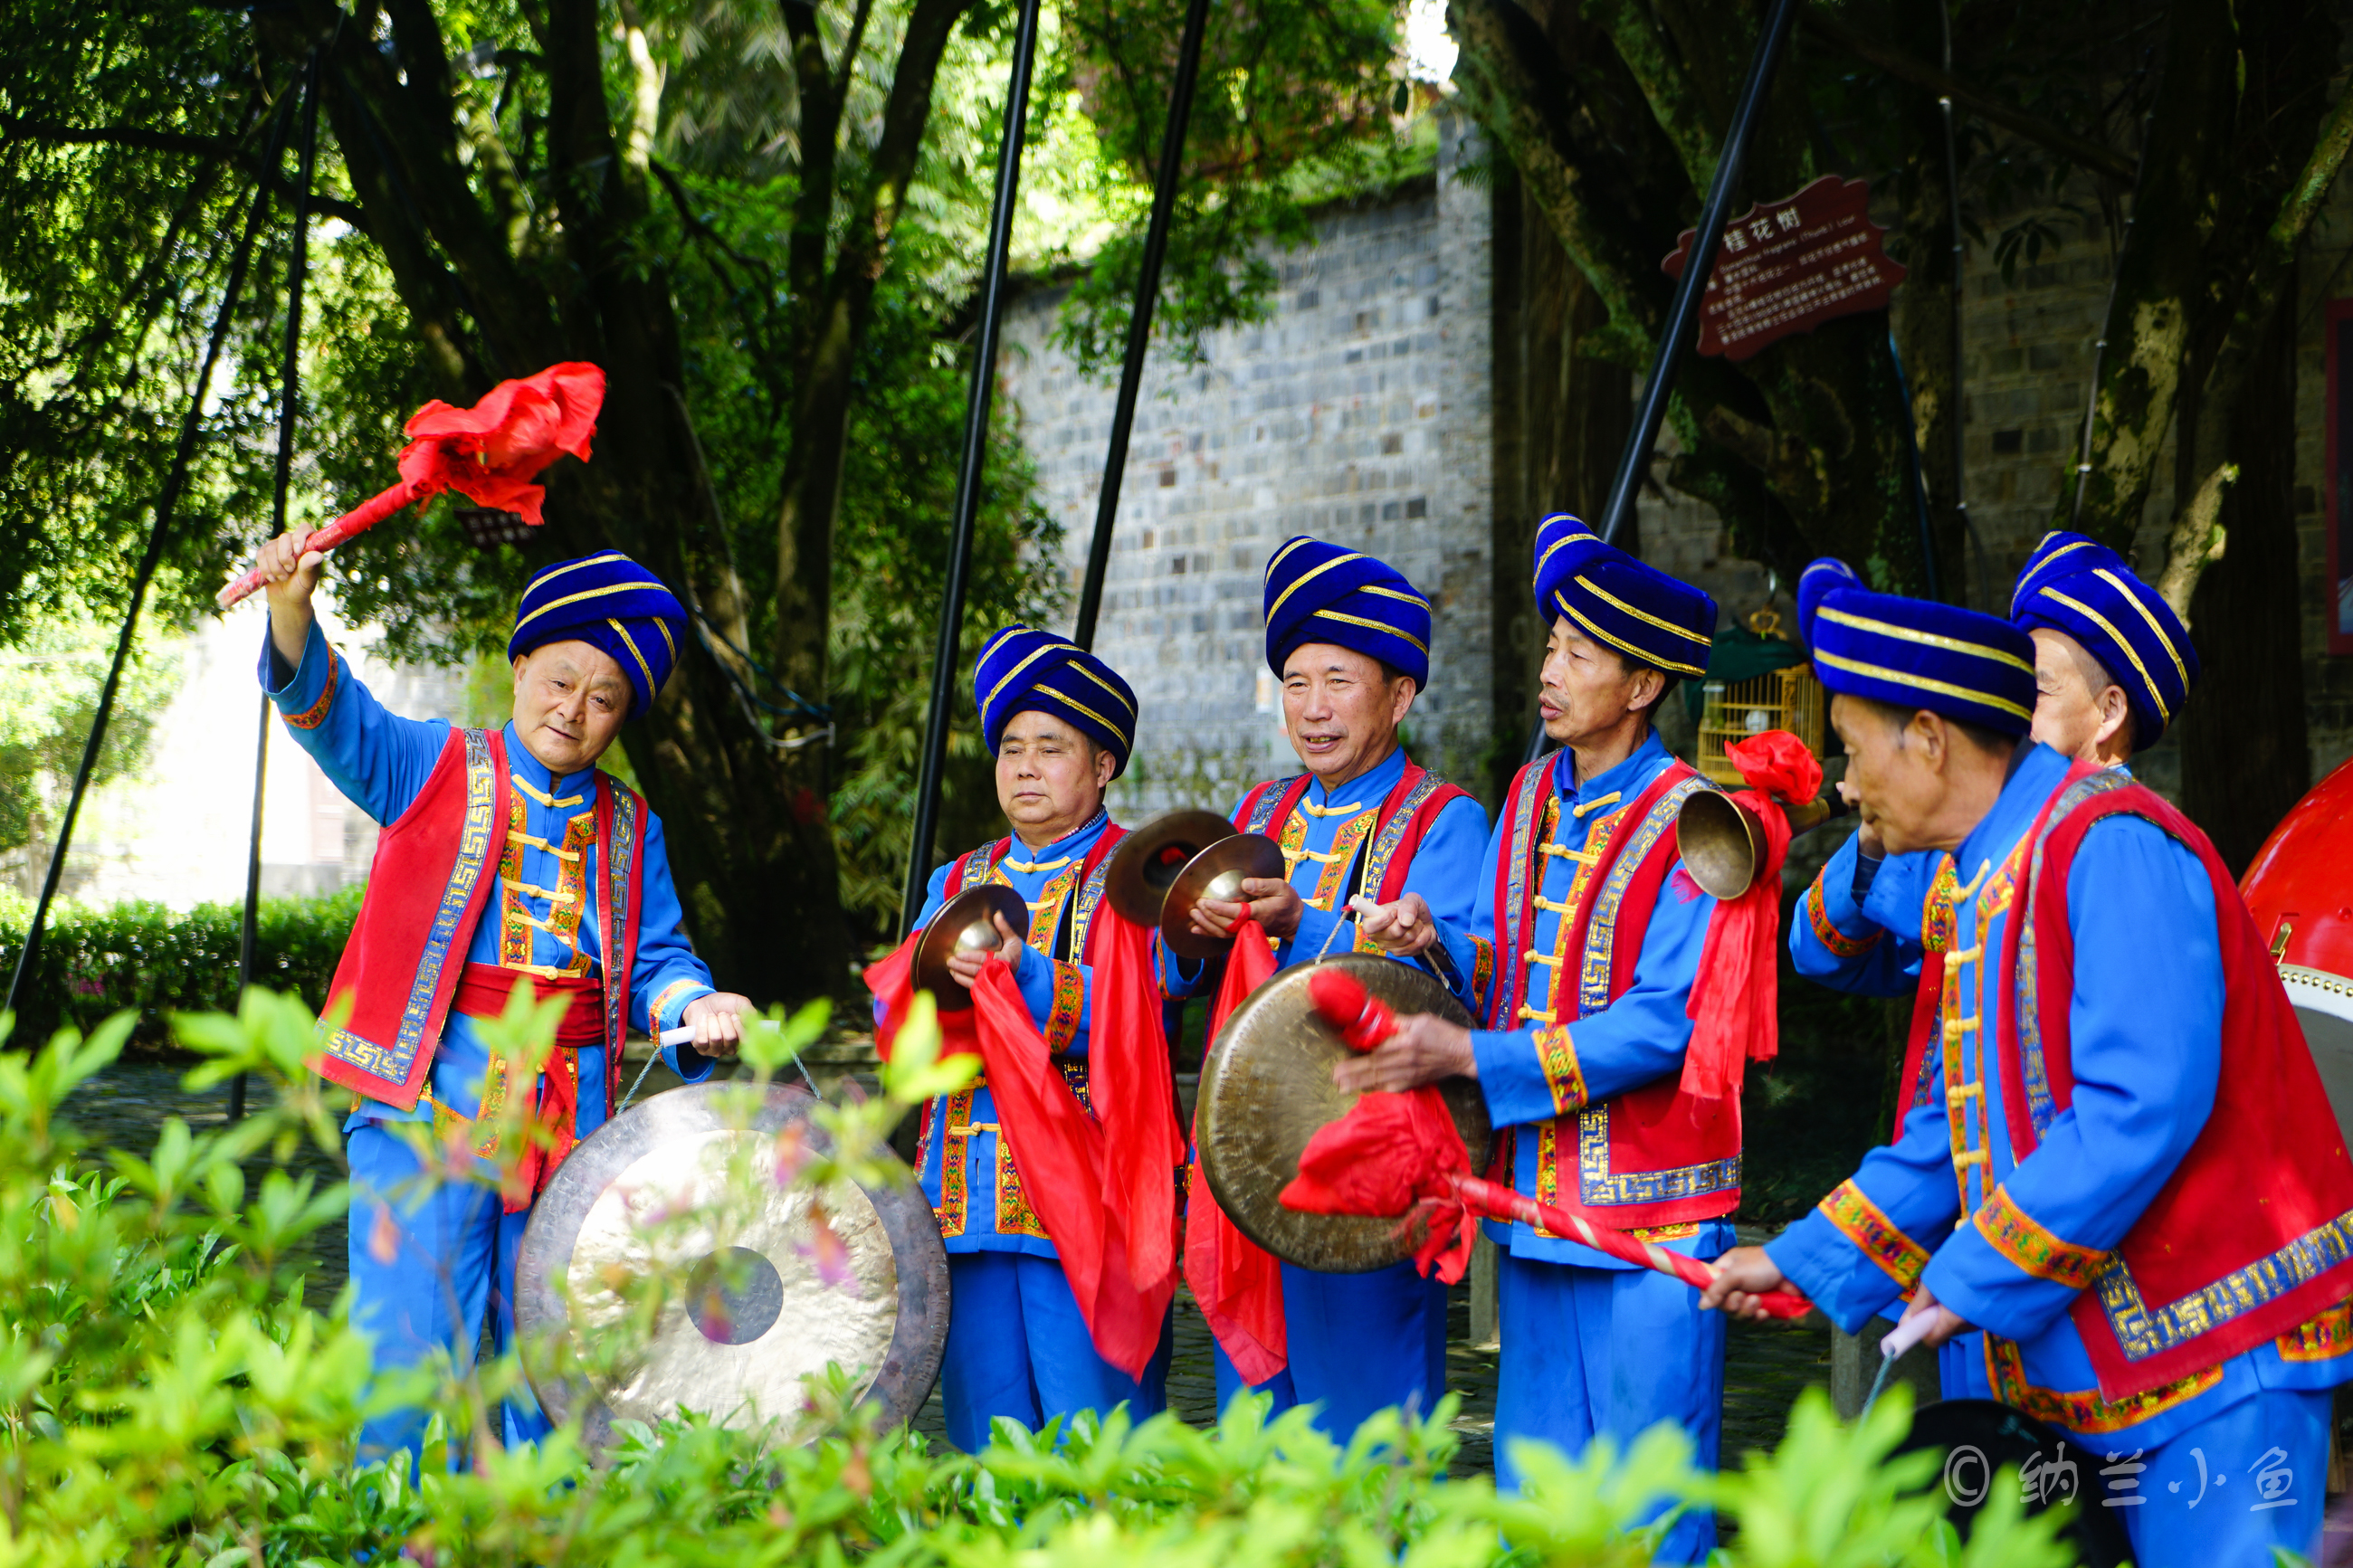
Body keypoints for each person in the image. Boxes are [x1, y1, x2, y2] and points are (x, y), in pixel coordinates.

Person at [1704, 560, 2353, 1568]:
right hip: (2108, 1353)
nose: (1844, 779)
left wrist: (1968, 1272)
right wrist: (1799, 1256)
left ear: (1926, 740)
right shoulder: (1992, 869)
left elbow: (2139, 1104)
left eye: (1850, 746)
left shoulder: (2114, 848)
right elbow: (1949, 1133)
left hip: (2223, 1356)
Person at [250, 533, 753, 1463]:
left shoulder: (632, 825)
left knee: (553, 1381)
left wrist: (698, 1000)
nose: (576, 709)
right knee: (408, 1373)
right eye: (561, 679)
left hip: (569, 1137)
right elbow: (333, 715)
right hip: (423, 1117)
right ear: (520, 666)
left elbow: (659, 959)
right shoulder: (433, 765)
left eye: (605, 699)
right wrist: (291, 609)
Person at [1338, 514, 1728, 1563]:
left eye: (1575, 655)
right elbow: (1509, 959)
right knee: (1535, 1494)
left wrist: (1476, 1059)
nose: (1548, 672)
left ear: (1641, 686)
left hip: (1653, 1212)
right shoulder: (1529, 792)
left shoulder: (1695, 817)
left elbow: (1665, 1018)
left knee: (1649, 1508)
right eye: (1549, 646)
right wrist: (1439, 938)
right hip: (1535, 1206)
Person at [1167, 535, 1488, 1439]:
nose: (1311, 708)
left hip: (1371, 1171)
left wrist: (1301, 921)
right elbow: (1185, 974)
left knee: (1366, 1434)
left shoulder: (1445, 817)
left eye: (1338, 682)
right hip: (1252, 1158)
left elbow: (1448, 986)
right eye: (1295, 683)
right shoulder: (1258, 814)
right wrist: (1180, 936)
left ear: (1399, 695)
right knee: (1255, 1432)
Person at [898, 624, 1172, 1452]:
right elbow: (905, 1012)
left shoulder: (1140, 875)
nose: (1024, 767)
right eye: (1011, 747)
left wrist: (1026, 985)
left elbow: (1143, 1009)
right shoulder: (955, 881)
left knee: (1101, 1454)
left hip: (1089, 1208)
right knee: (989, 1449)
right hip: (964, 1205)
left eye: (1051, 748)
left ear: (1103, 766)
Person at [1791, 531, 2200, 1046]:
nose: (2012, 710)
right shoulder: (1996, 832)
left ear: (2109, 712)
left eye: (2035, 689)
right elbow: (1815, 953)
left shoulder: (2124, 849)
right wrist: (1874, 838)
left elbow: (2137, 1097)